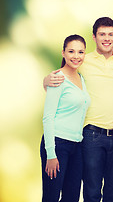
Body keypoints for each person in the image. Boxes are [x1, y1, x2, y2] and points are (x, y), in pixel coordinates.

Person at [43, 17, 113, 202]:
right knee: (91, 192)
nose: (106, 38)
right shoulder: (83, 60)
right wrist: (45, 81)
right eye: (102, 34)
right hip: (91, 136)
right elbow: (63, 74)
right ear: (94, 37)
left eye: (110, 34)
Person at [40, 34, 90, 202]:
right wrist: (51, 154)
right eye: (71, 51)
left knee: (72, 197)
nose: (76, 56)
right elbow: (47, 117)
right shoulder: (57, 78)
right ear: (63, 53)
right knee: (51, 197)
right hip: (57, 144)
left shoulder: (81, 78)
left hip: (77, 146)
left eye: (80, 52)